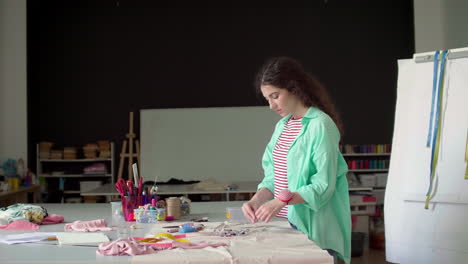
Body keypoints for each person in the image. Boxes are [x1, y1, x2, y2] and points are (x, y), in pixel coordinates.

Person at [242, 56, 351, 264]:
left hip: (317, 230)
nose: (271, 105)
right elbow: (273, 176)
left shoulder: (320, 125)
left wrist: (281, 200)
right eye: (268, 99)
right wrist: (257, 200)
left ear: (294, 88)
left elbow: (322, 186)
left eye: (275, 96)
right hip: (289, 226)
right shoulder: (283, 126)